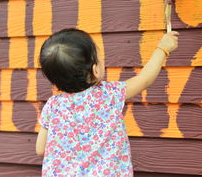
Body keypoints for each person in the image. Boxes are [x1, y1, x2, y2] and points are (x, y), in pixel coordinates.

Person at [36, 28, 179, 176]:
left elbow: (41, 149)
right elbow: (144, 80)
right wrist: (163, 48)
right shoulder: (109, 95)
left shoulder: (53, 106)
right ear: (95, 70)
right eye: (99, 57)